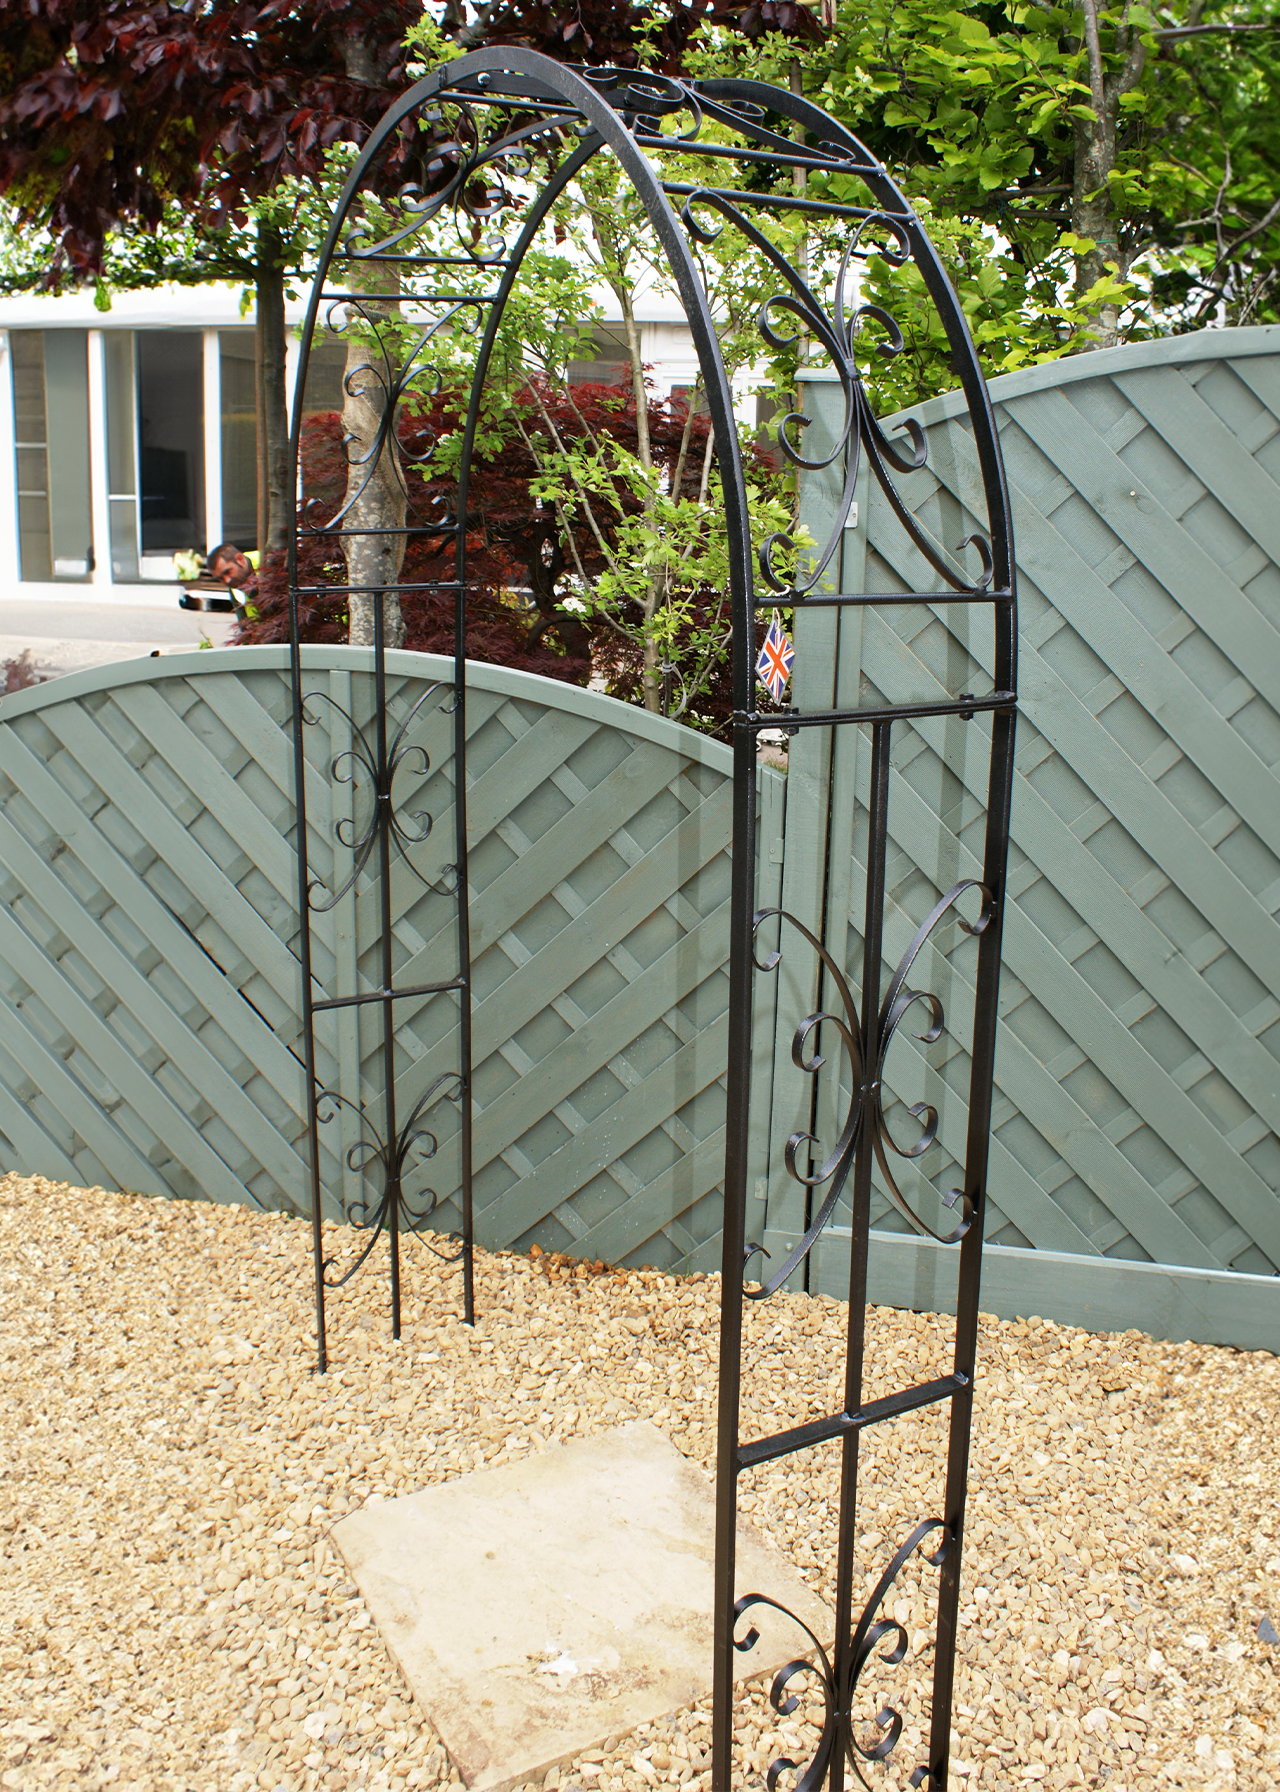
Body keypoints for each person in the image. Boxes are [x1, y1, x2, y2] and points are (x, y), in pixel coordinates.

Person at [206, 544, 260, 617]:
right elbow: (244, 625)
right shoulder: (235, 587)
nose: (227, 580)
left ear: (240, 559)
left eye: (228, 571)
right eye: (220, 578)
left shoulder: (267, 562)